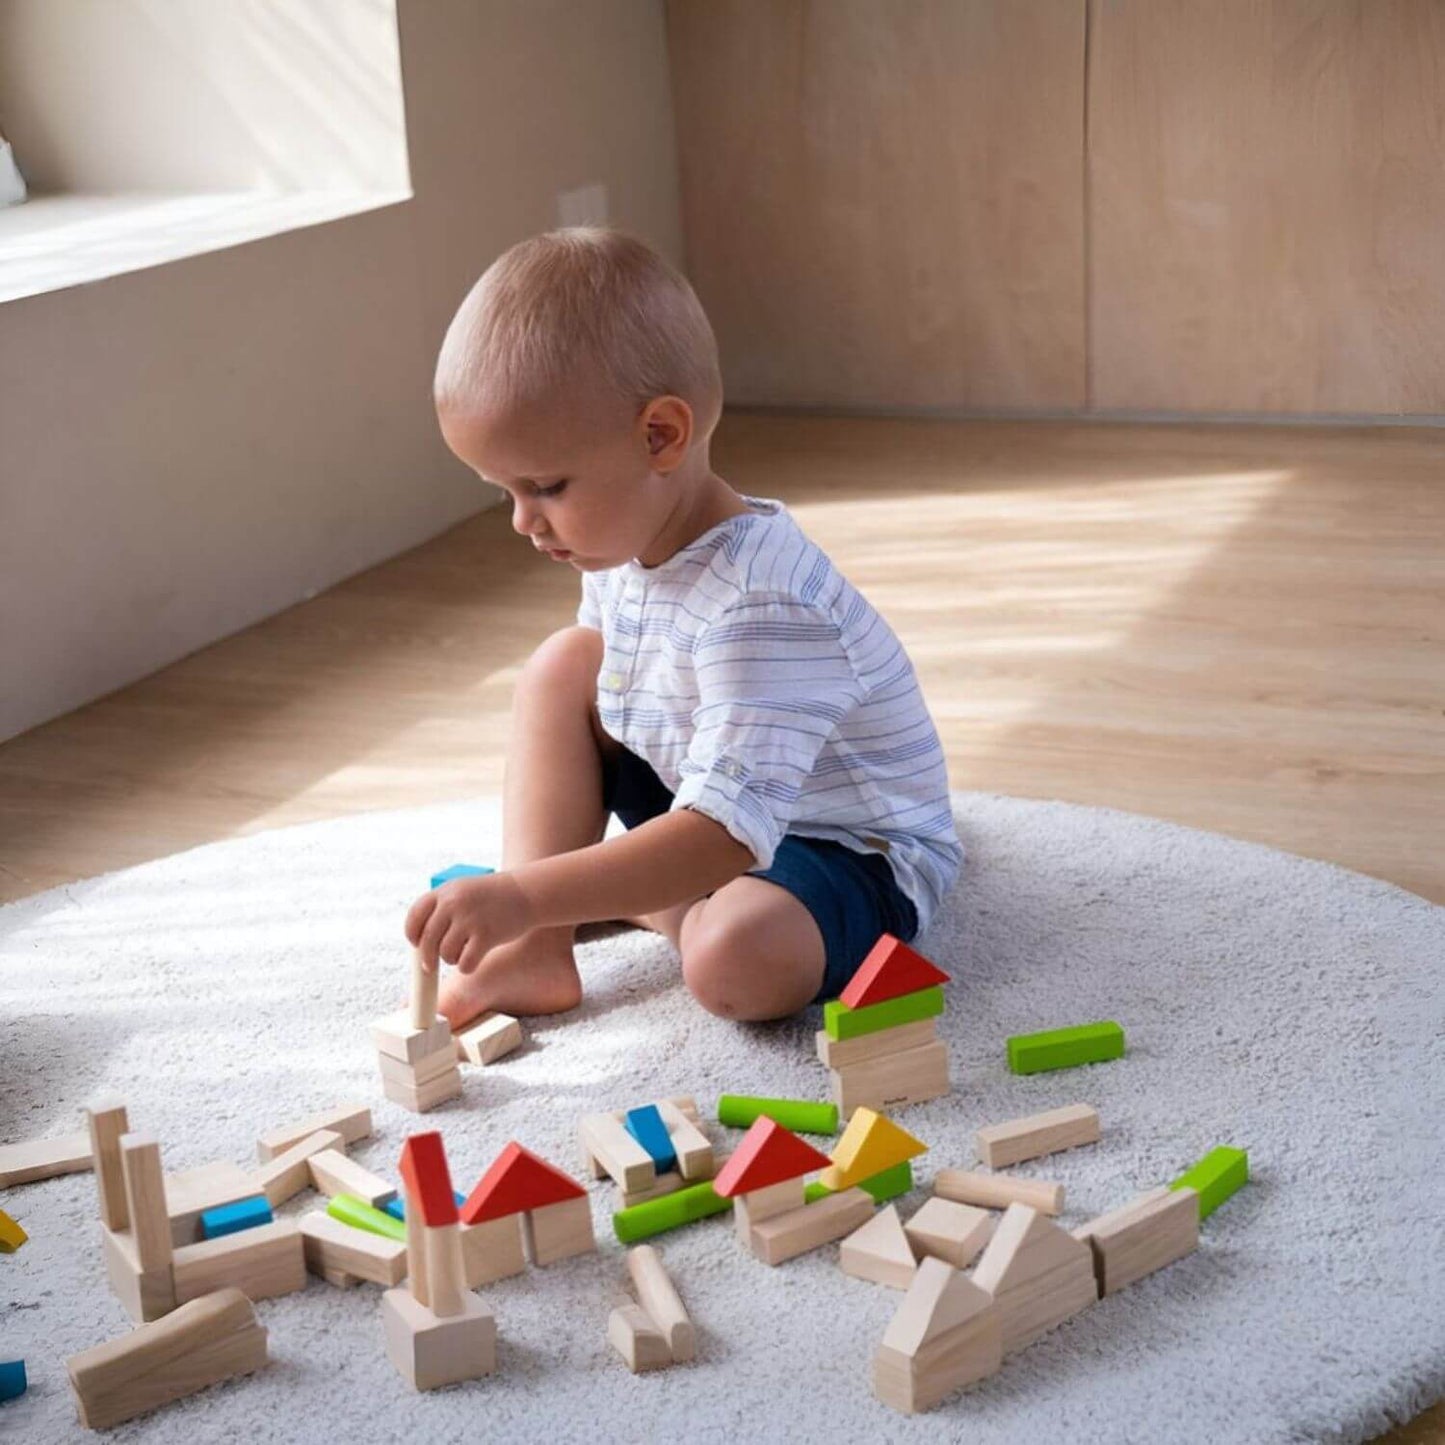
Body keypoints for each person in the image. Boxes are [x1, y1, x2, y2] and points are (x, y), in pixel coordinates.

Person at [404, 227, 961, 1028]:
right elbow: (636, 727)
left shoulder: (760, 604)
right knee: (567, 662)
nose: (525, 522)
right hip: (705, 789)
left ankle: (612, 905)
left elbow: (720, 837)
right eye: (506, 494)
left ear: (660, 435)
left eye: (546, 486)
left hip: (840, 844)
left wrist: (526, 893)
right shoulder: (615, 546)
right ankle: (533, 947)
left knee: (735, 963)